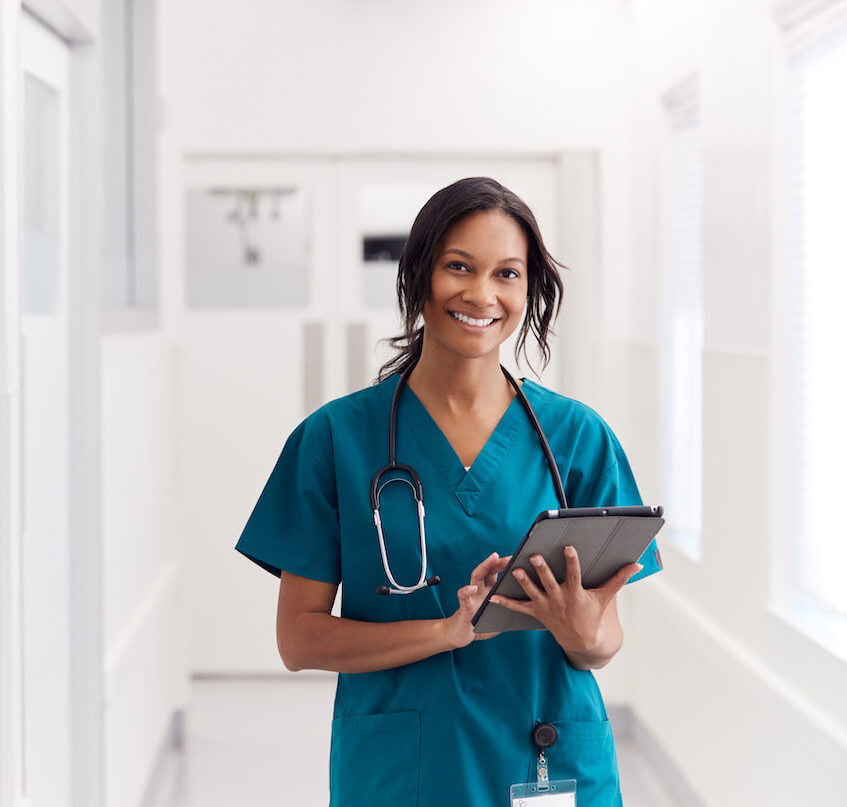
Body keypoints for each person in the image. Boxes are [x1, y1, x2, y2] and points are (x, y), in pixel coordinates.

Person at [235, 177, 663, 806]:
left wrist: (580, 631)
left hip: (545, 760)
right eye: (458, 266)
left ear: (529, 289)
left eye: (507, 274)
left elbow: (603, 642)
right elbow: (298, 640)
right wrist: (447, 630)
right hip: (403, 771)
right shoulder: (334, 440)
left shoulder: (576, 438)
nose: (481, 294)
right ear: (418, 276)